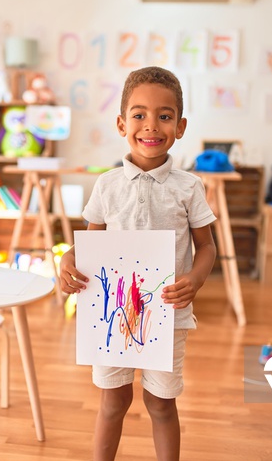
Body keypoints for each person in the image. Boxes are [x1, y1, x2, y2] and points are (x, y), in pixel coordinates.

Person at [59, 66, 217, 461]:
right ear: (121, 123)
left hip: (168, 314)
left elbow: (207, 247)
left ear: (180, 126)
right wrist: (67, 259)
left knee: (161, 404)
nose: (151, 126)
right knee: (112, 402)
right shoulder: (107, 185)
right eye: (139, 115)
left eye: (164, 116)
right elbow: (89, 244)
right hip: (111, 314)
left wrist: (194, 280)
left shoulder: (189, 187)